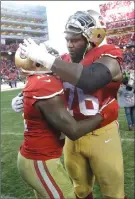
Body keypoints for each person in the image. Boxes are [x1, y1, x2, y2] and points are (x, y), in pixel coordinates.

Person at [14, 10, 127, 199]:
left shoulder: (108, 57)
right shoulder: (63, 61)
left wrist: (47, 60)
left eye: (75, 39)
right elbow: (45, 85)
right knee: (80, 190)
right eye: (67, 39)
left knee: (113, 192)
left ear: (91, 39)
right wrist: (22, 98)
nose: (69, 44)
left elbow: (90, 80)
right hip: (72, 135)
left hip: (102, 132)